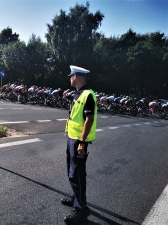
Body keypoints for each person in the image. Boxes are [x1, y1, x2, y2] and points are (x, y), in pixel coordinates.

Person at [62, 65, 97, 223]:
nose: (70, 78)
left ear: (77, 77)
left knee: (77, 173)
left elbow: (89, 119)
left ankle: (81, 209)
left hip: (78, 141)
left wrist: (82, 142)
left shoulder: (87, 95)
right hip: (72, 138)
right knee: (72, 171)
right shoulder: (78, 94)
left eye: (71, 75)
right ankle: (76, 198)